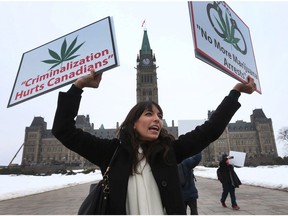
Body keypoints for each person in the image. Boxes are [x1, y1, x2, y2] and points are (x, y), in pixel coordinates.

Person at [52, 69, 256, 214]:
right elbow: (64, 131)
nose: (157, 119)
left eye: (160, 115)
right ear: (133, 122)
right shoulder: (111, 152)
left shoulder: (170, 151)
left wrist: (235, 92)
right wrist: (78, 86)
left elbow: (209, 131)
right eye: (149, 114)